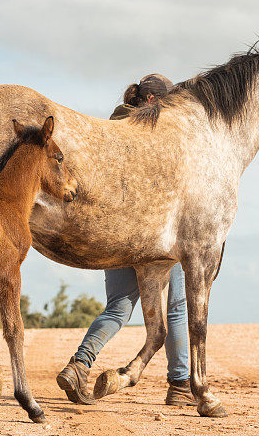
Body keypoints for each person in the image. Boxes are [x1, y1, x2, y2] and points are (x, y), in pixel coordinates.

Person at [55, 74, 195, 407]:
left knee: (119, 307)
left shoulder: (112, 128)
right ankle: (179, 385)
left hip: (115, 234)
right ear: (152, 103)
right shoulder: (152, 134)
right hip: (154, 236)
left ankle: (80, 365)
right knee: (175, 309)